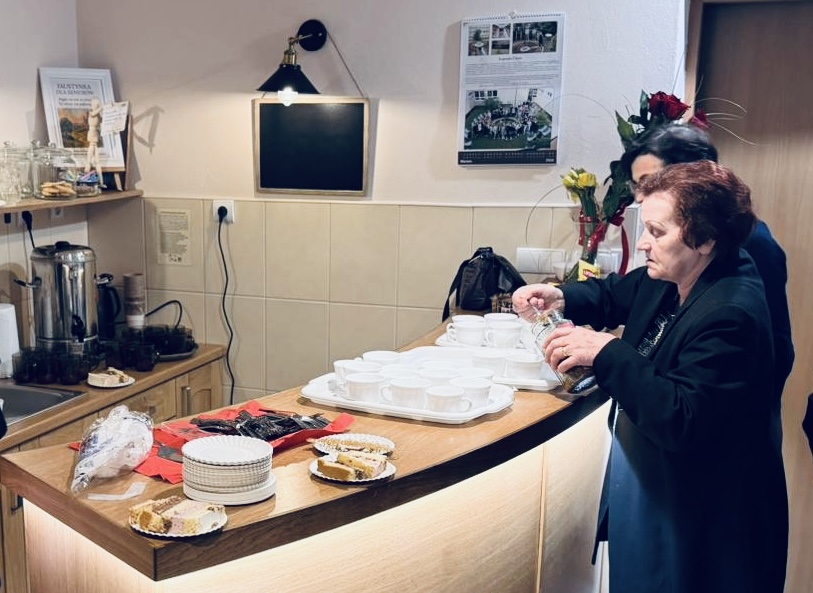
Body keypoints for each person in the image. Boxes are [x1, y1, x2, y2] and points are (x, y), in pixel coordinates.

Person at [513, 161, 788, 593]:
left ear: (706, 239)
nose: (643, 243)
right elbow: (615, 294)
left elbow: (683, 418)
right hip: (659, 489)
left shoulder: (732, 312)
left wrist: (605, 352)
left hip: (706, 518)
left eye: (657, 232)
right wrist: (561, 296)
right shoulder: (676, 273)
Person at [622, 125, 794, 453]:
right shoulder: (676, 252)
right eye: (637, 185)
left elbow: (773, 348)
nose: (640, 196)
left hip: (725, 435)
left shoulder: (751, 245)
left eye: (649, 181)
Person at [85, 96, 103, 179]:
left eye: (97, 105)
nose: (95, 106)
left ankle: (100, 179)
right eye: (95, 105)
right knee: (91, 149)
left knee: (97, 157)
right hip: (92, 133)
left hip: (95, 133)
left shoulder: (98, 114)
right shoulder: (91, 112)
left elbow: (101, 120)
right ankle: (87, 168)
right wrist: (101, 108)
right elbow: (93, 114)